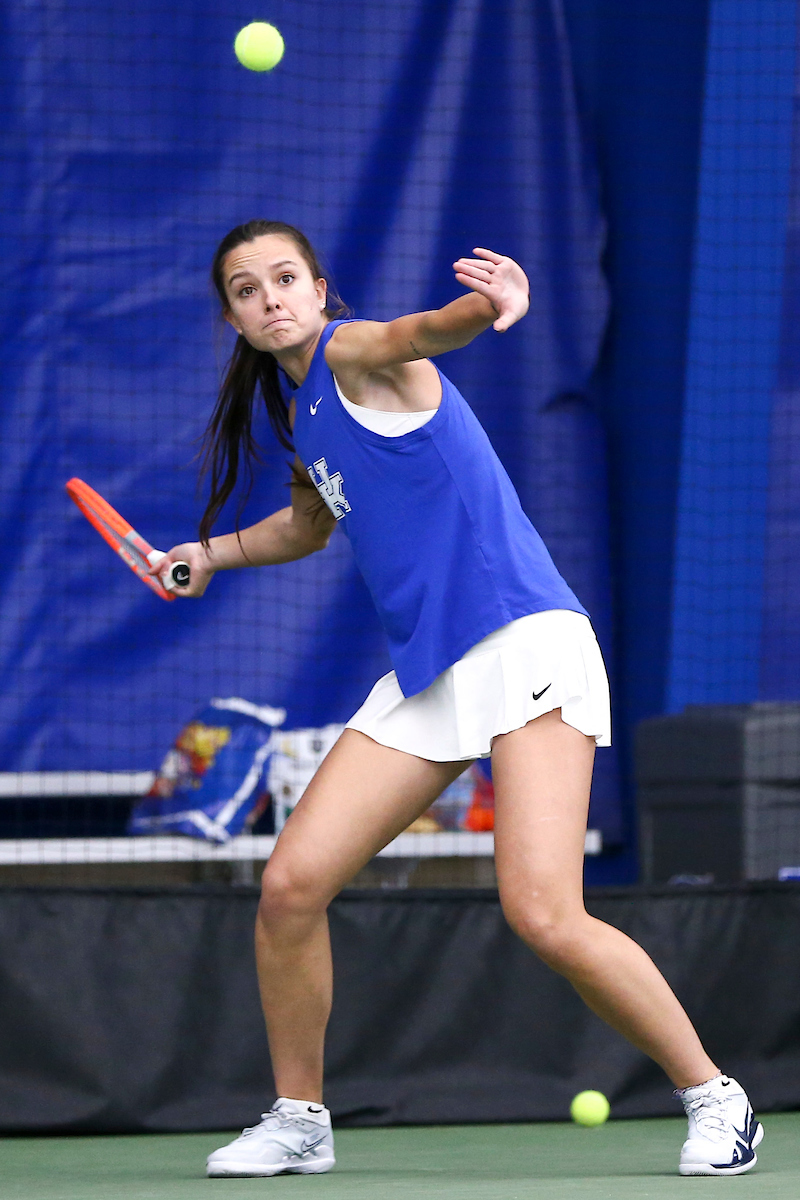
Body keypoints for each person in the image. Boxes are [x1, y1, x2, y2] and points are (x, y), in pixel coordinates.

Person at [156, 219, 763, 1179]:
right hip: (430, 673)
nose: (270, 298)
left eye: (284, 279)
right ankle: (300, 1119)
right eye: (245, 289)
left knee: (544, 913)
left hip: (524, 641)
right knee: (290, 889)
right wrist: (210, 555)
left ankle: (715, 1097)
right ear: (232, 318)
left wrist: (493, 305)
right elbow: (308, 529)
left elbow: (421, 332)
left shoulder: (354, 352)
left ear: (320, 291)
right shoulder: (306, 408)